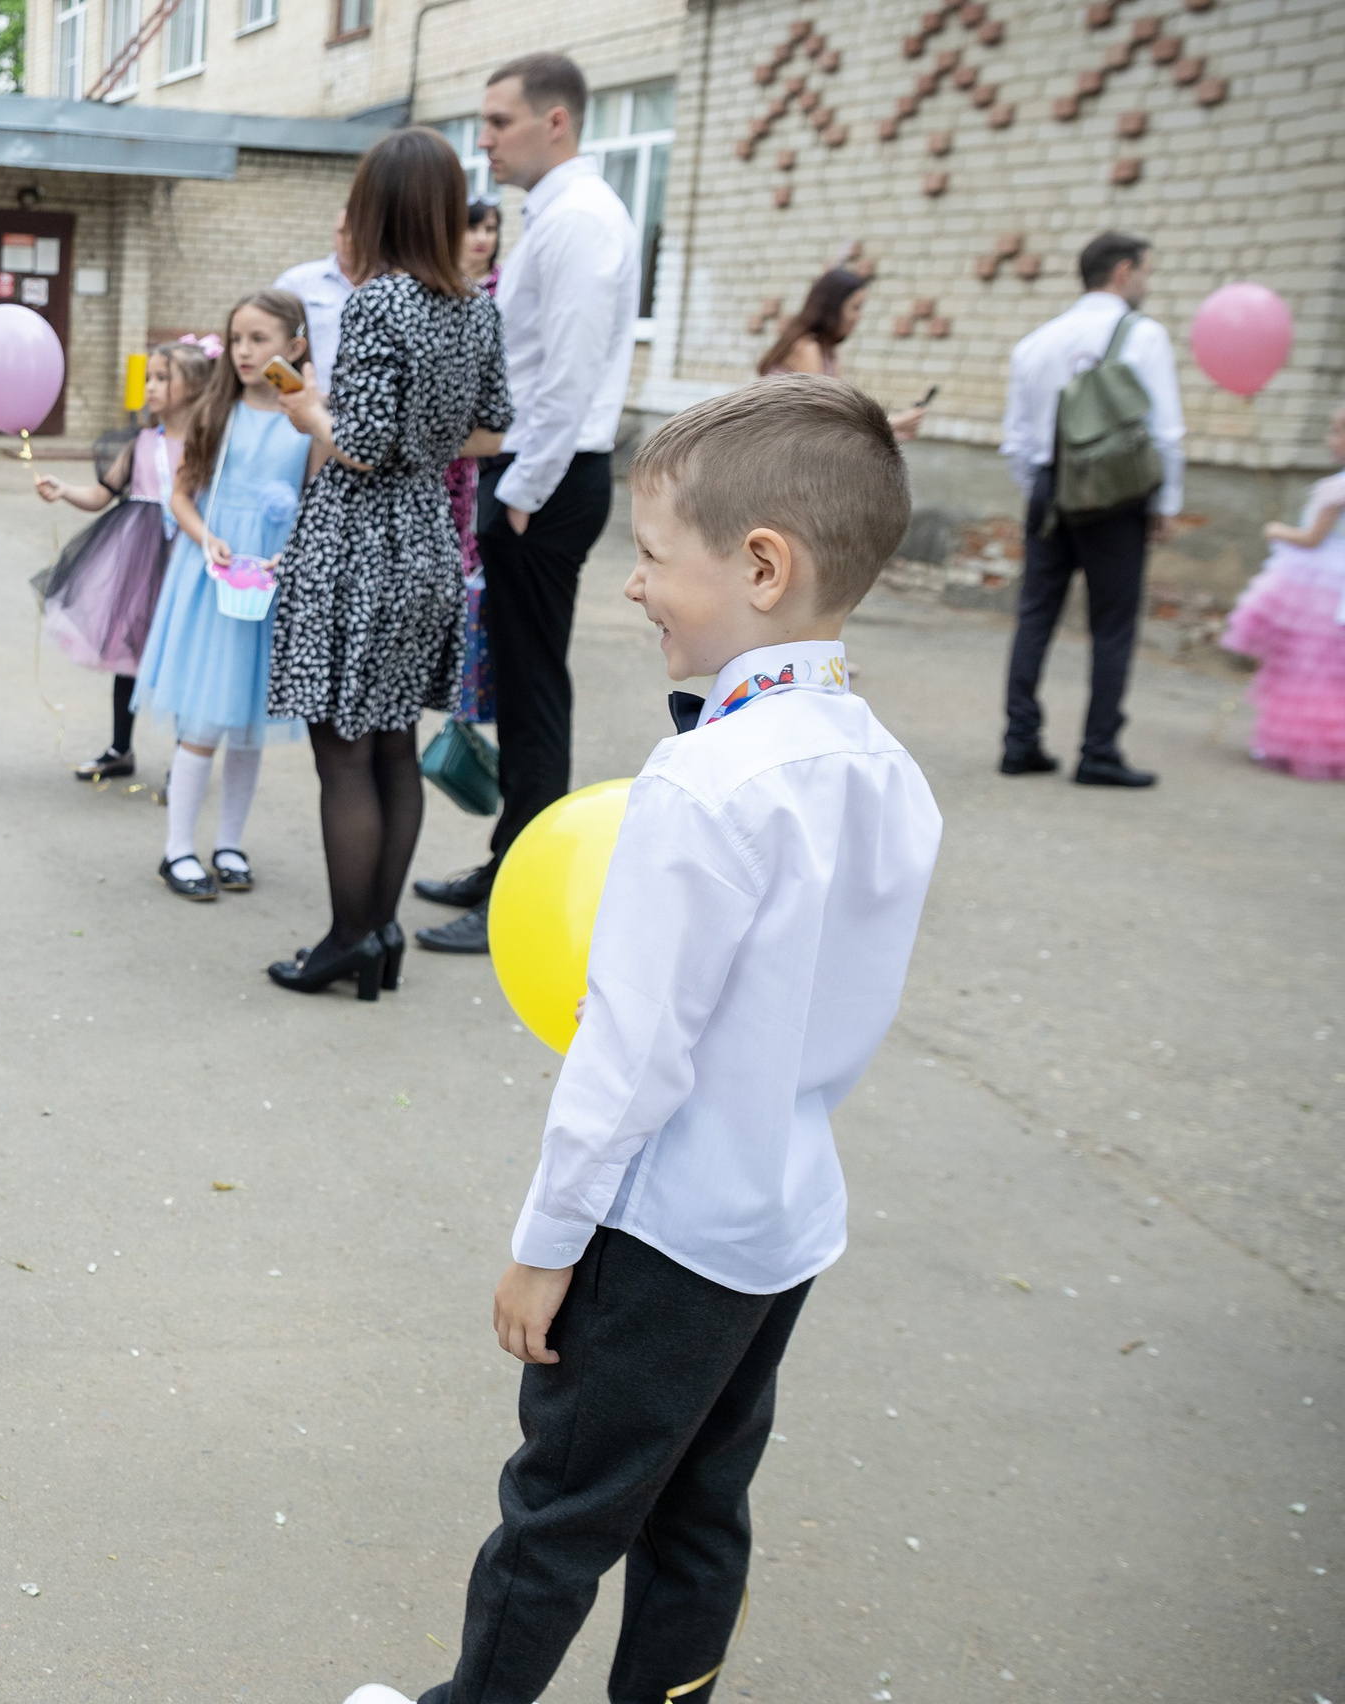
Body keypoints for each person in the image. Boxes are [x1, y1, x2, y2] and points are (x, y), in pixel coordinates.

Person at [340, 376, 942, 1704]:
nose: (632, 586)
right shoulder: (884, 767)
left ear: (763, 568)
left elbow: (631, 1062)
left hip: (661, 1235)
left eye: (656, 558)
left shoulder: (706, 785)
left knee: (558, 1512)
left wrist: (545, 1249)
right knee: (701, 1508)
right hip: (780, 1225)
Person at [264, 129, 512, 1000]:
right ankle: (382, 930)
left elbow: (359, 446)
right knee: (392, 743)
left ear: (377, 207)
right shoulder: (475, 305)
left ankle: (347, 938)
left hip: (358, 541)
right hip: (428, 542)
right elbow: (492, 428)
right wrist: (420, 439)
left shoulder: (378, 304)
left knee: (343, 752)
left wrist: (308, 417)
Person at [415, 53, 640, 955]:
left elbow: (568, 381)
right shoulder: (556, 215)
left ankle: (524, 891)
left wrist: (522, 494)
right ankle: (510, 849)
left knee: (535, 692)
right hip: (531, 479)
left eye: (499, 121)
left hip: (543, 482)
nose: (485, 140)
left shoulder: (582, 221)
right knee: (515, 681)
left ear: (557, 122)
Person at [131, 291, 317, 902]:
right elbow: (181, 495)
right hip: (214, 580)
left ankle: (230, 842)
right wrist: (206, 536)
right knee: (207, 719)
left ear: (295, 346)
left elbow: (317, 503)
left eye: (259, 340)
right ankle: (177, 849)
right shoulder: (217, 411)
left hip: (268, 583)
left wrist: (291, 553)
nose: (243, 352)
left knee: (248, 724)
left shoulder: (308, 419)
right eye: (236, 339)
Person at [997, 230, 1184, 788]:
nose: (1147, 284)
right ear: (1123, 272)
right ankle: (1098, 751)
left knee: (1035, 614)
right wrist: (1166, 500)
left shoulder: (1036, 342)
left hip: (1049, 491)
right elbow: (1166, 431)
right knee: (1112, 625)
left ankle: (1019, 742)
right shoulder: (1143, 336)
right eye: (1146, 272)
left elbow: (1015, 441)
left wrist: (1043, 487)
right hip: (1116, 494)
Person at [34, 336, 216, 780]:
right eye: (148, 378)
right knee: (128, 652)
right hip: (137, 557)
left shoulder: (211, 442)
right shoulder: (140, 442)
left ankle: (185, 763)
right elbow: (101, 494)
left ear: (193, 386)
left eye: (162, 379)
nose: (150, 387)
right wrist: (65, 491)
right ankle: (120, 749)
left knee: (182, 656)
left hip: (187, 554)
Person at [1220, 401, 1345, 779]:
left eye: (1337, 431)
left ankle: (1295, 746)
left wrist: (1277, 530)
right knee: (1333, 670)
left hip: (1321, 586)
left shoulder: (1335, 489)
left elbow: (1311, 538)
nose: (1331, 439)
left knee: (1305, 667)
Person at [758, 265, 928, 441]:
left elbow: (838, 414)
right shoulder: (806, 349)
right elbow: (826, 419)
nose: (858, 317)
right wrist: (894, 422)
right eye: (855, 307)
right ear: (834, 308)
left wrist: (894, 433)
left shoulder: (828, 353)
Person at [448, 196, 503, 727]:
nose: (482, 238)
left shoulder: (498, 293)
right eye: (472, 228)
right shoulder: (437, 290)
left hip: (471, 451)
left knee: (464, 557)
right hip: (434, 457)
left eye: (490, 228)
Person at [276, 209, 356, 390]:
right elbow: (270, 338)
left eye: (358, 232)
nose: (349, 239)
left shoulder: (392, 287)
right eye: (342, 231)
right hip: (306, 402)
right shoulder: (296, 282)